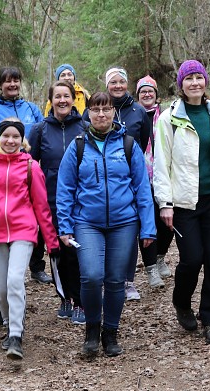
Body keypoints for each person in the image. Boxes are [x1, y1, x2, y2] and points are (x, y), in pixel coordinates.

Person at [57, 92, 155, 357]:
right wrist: (64, 226)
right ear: (88, 113)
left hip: (124, 223)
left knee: (114, 280)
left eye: (106, 109)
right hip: (87, 222)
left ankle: (110, 333)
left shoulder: (127, 144)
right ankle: (91, 329)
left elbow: (142, 187)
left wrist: (148, 227)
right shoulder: (78, 145)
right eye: (96, 109)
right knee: (90, 276)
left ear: (114, 112)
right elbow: (65, 188)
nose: (101, 114)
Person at [154, 60, 210, 344]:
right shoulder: (169, 119)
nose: (194, 83)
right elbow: (161, 164)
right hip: (183, 202)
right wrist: (165, 203)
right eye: (188, 78)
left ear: (205, 82)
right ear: (180, 84)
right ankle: (182, 301)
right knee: (192, 259)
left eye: (199, 77)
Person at [0, 118, 59, 360]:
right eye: (6, 136)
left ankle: (16, 335)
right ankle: (8, 323)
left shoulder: (31, 166)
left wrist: (52, 242)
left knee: (15, 280)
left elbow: (42, 206)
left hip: (23, 230)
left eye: (15, 137)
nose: (10, 140)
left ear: (22, 140)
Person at [89, 67, 152, 300]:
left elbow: (143, 140)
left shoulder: (139, 111)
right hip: (102, 174)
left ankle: (127, 280)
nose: (117, 86)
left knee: (129, 226)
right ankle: (110, 277)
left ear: (127, 84)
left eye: (121, 82)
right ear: (107, 85)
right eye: (113, 82)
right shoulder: (97, 109)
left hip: (129, 170)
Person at [0, 66, 50, 284]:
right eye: (7, 81)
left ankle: (37, 266)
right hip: (3, 169)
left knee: (36, 214)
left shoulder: (31, 108)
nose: (12, 84)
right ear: (0, 85)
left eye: (16, 80)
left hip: (28, 168)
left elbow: (41, 133)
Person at [28, 81, 86, 324]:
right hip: (51, 200)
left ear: (74, 99)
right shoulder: (40, 129)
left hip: (82, 200)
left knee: (79, 251)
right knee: (58, 252)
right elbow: (29, 167)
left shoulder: (86, 126)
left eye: (67, 96)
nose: (62, 100)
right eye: (57, 97)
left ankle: (81, 300)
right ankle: (65, 297)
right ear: (51, 101)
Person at [135, 75, 174, 288]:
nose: (147, 94)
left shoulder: (168, 116)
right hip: (141, 177)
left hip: (165, 175)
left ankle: (160, 257)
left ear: (156, 95)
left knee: (166, 223)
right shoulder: (133, 115)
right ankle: (150, 268)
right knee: (147, 222)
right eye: (143, 92)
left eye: (150, 91)